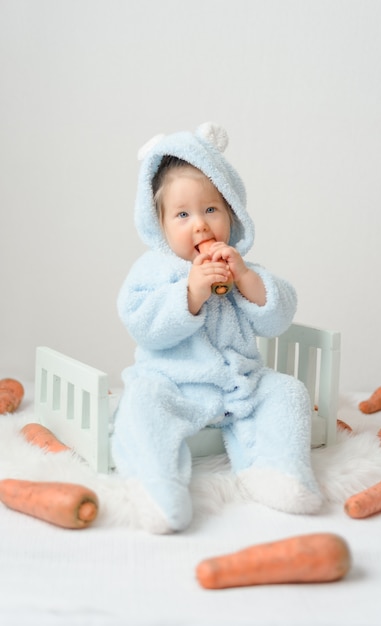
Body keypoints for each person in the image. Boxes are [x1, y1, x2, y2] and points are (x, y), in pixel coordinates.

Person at [112, 122, 323, 533]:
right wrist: (188, 294)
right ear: (160, 224)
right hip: (174, 385)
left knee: (287, 392)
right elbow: (140, 323)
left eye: (211, 209)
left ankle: (278, 473)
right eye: (183, 214)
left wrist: (245, 279)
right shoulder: (154, 271)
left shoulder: (242, 268)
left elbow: (279, 317)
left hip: (239, 388)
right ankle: (155, 487)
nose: (201, 225)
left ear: (232, 212)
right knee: (139, 405)